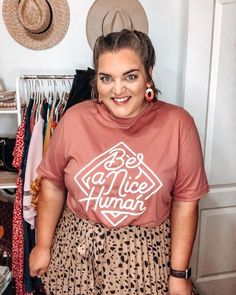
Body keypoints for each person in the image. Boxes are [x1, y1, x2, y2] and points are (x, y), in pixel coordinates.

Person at [29, 29, 209, 295]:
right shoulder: (75, 119)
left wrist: (179, 274)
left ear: (149, 73)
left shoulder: (178, 124)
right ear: (96, 81)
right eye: (106, 78)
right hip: (75, 253)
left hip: (146, 260)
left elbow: (186, 201)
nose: (117, 90)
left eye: (130, 76)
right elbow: (53, 183)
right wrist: (43, 245)